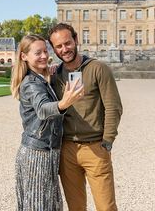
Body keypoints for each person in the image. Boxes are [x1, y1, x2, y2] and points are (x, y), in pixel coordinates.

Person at [48, 23, 123, 211]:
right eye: (59, 46)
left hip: (95, 148)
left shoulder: (98, 68)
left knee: (106, 207)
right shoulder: (55, 76)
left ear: (76, 41)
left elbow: (114, 107)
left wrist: (107, 141)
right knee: (76, 207)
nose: (64, 49)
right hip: (66, 150)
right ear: (54, 49)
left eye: (68, 43)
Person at [10, 34, 84, 210]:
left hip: (45, 151)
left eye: (45, 51)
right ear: (24, 56)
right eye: (38, 53)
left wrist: (51, 72)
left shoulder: (41, 79)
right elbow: (43, 109)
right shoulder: (31, 84)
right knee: (39, 205)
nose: (45, 56)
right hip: (37, 154)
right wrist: (64, 103)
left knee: (46, 204)